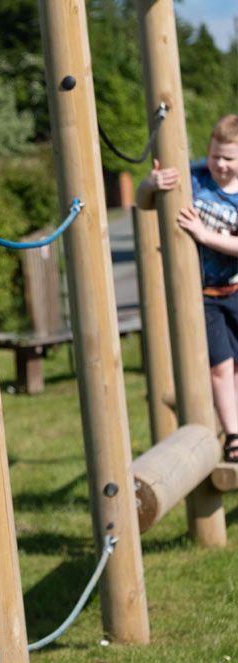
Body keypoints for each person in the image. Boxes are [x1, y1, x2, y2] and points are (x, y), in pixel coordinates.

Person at [136, 115, 238, 462]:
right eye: (215, 156)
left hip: (235, 289)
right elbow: (144, 202)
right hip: (204, 295)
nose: (220, 165)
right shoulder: (195, 177)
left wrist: (205, 235)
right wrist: (151, 184)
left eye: (229, 158)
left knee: (235, 367)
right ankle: (234, 436)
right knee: (220, 367)